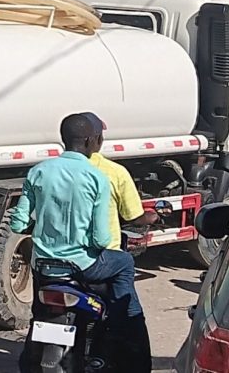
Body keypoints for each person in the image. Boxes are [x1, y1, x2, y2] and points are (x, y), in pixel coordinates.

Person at [10, 114, 150, 369]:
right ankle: (119, 325)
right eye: (99, 137)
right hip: (82, 266)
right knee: (125, 262)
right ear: (91, 141)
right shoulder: (98, 178)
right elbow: (102, 238)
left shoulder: (38, 171)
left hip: (43, 266)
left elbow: (18, 224)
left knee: (38, 312)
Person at [82, 113, 158, 250]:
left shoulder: (46, 172)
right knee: (126, 265)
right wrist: (151, 217)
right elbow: (134, 218)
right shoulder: (115, 172)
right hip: (103, 253)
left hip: (58, 254)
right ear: (97, 139)